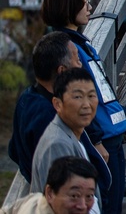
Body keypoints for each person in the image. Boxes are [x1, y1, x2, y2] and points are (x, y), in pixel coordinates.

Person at [39, 0, 126, 214]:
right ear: (67, 5)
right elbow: (77, 99)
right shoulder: (67, 49)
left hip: (113, 137)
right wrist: (94, 141)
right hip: (102, 141)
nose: (90, 7)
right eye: (83, 2)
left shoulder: (83, 45)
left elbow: (102, 90)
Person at [29, 69, 112, 204]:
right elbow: (61, 204)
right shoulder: (57, 144)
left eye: (91, 96)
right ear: (57, 104)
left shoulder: (74, 132)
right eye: (77, 97)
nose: (86, 105)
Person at [8, 33, 82, 182]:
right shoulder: (48, 116)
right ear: (62, 70)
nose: (80, 65)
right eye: (77, 59)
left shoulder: (27, 97)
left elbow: (13, 150)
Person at [9, 156, 99, 214]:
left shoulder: (36, 200)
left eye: (89, 196)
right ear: (50, 193)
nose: (82, 206)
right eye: (74, 196)